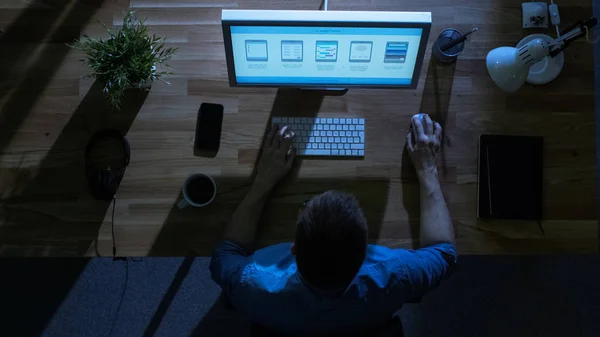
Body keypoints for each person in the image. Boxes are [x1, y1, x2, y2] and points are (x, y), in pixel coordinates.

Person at [210, 114, 456, 337]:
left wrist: (263, 181)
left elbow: (225, 254)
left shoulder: (252, 284)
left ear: (294, 249)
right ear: (365, 253)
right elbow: (444, 255)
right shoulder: (396, 275)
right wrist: (427, 169)